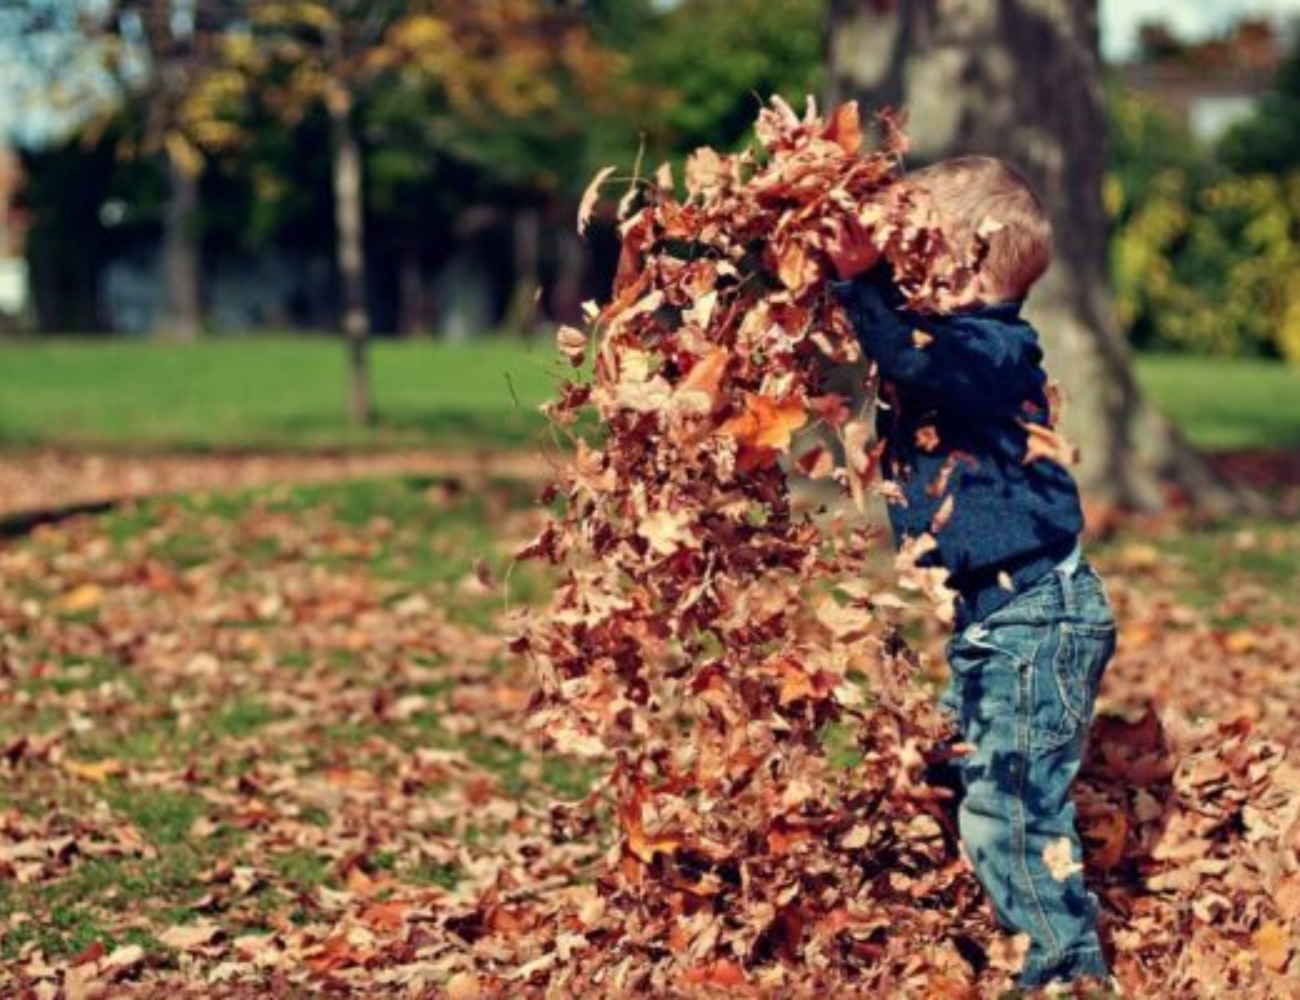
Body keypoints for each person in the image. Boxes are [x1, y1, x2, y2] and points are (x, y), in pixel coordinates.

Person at [827, 156, 1119, 991]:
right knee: (956, 769)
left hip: (1037, 621)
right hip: (1000, 622)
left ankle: (1066, 970)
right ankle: (981, 913)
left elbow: (913, 359)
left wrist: (863, 285)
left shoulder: (992, 349)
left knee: (1013, 810)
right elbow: (893, 341)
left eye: (910, 254)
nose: (895, 272)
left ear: (957, 263)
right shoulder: (952, 343)